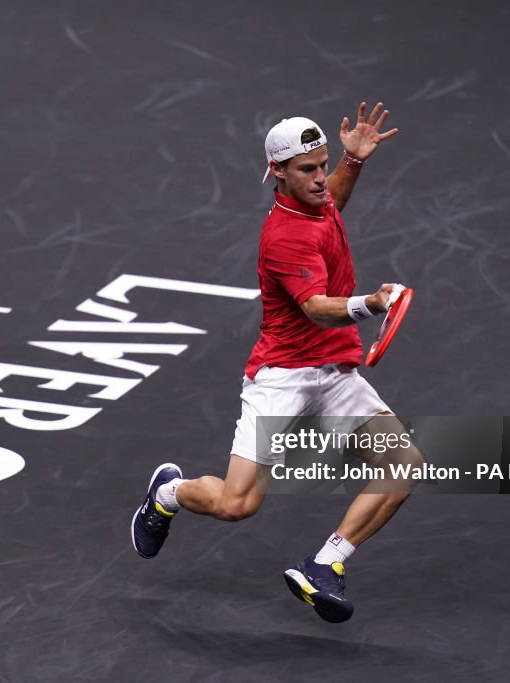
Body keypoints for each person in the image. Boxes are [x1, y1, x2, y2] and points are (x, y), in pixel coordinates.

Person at [131, 102, 424, 624]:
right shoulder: (284, 237)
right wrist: (370, 303)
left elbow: (333, 199)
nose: (320, 179)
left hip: (334, 374)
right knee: (236, 506)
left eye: (322, 164)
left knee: (402, 467)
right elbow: (317, 310)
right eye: (308, 170)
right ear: (278, 172)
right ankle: (168, 494)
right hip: (283, 377)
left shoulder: (317, 199)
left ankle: (325, 564)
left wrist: (352, 162)